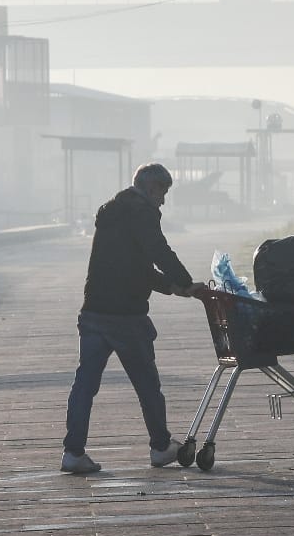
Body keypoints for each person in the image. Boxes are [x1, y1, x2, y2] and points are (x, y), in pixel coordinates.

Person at [61, 163, 206, 473]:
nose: (163, 201)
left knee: (84, 385)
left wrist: (172, 287)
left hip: (93, 310)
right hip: (126, 315)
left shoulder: (110, 212)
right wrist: (185, 281)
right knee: (147, 384)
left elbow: (132, 266)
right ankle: (160, 447)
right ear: (150, 187)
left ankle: (73, 452)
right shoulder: (142, 213)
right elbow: (158, 251)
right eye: (162, 193)